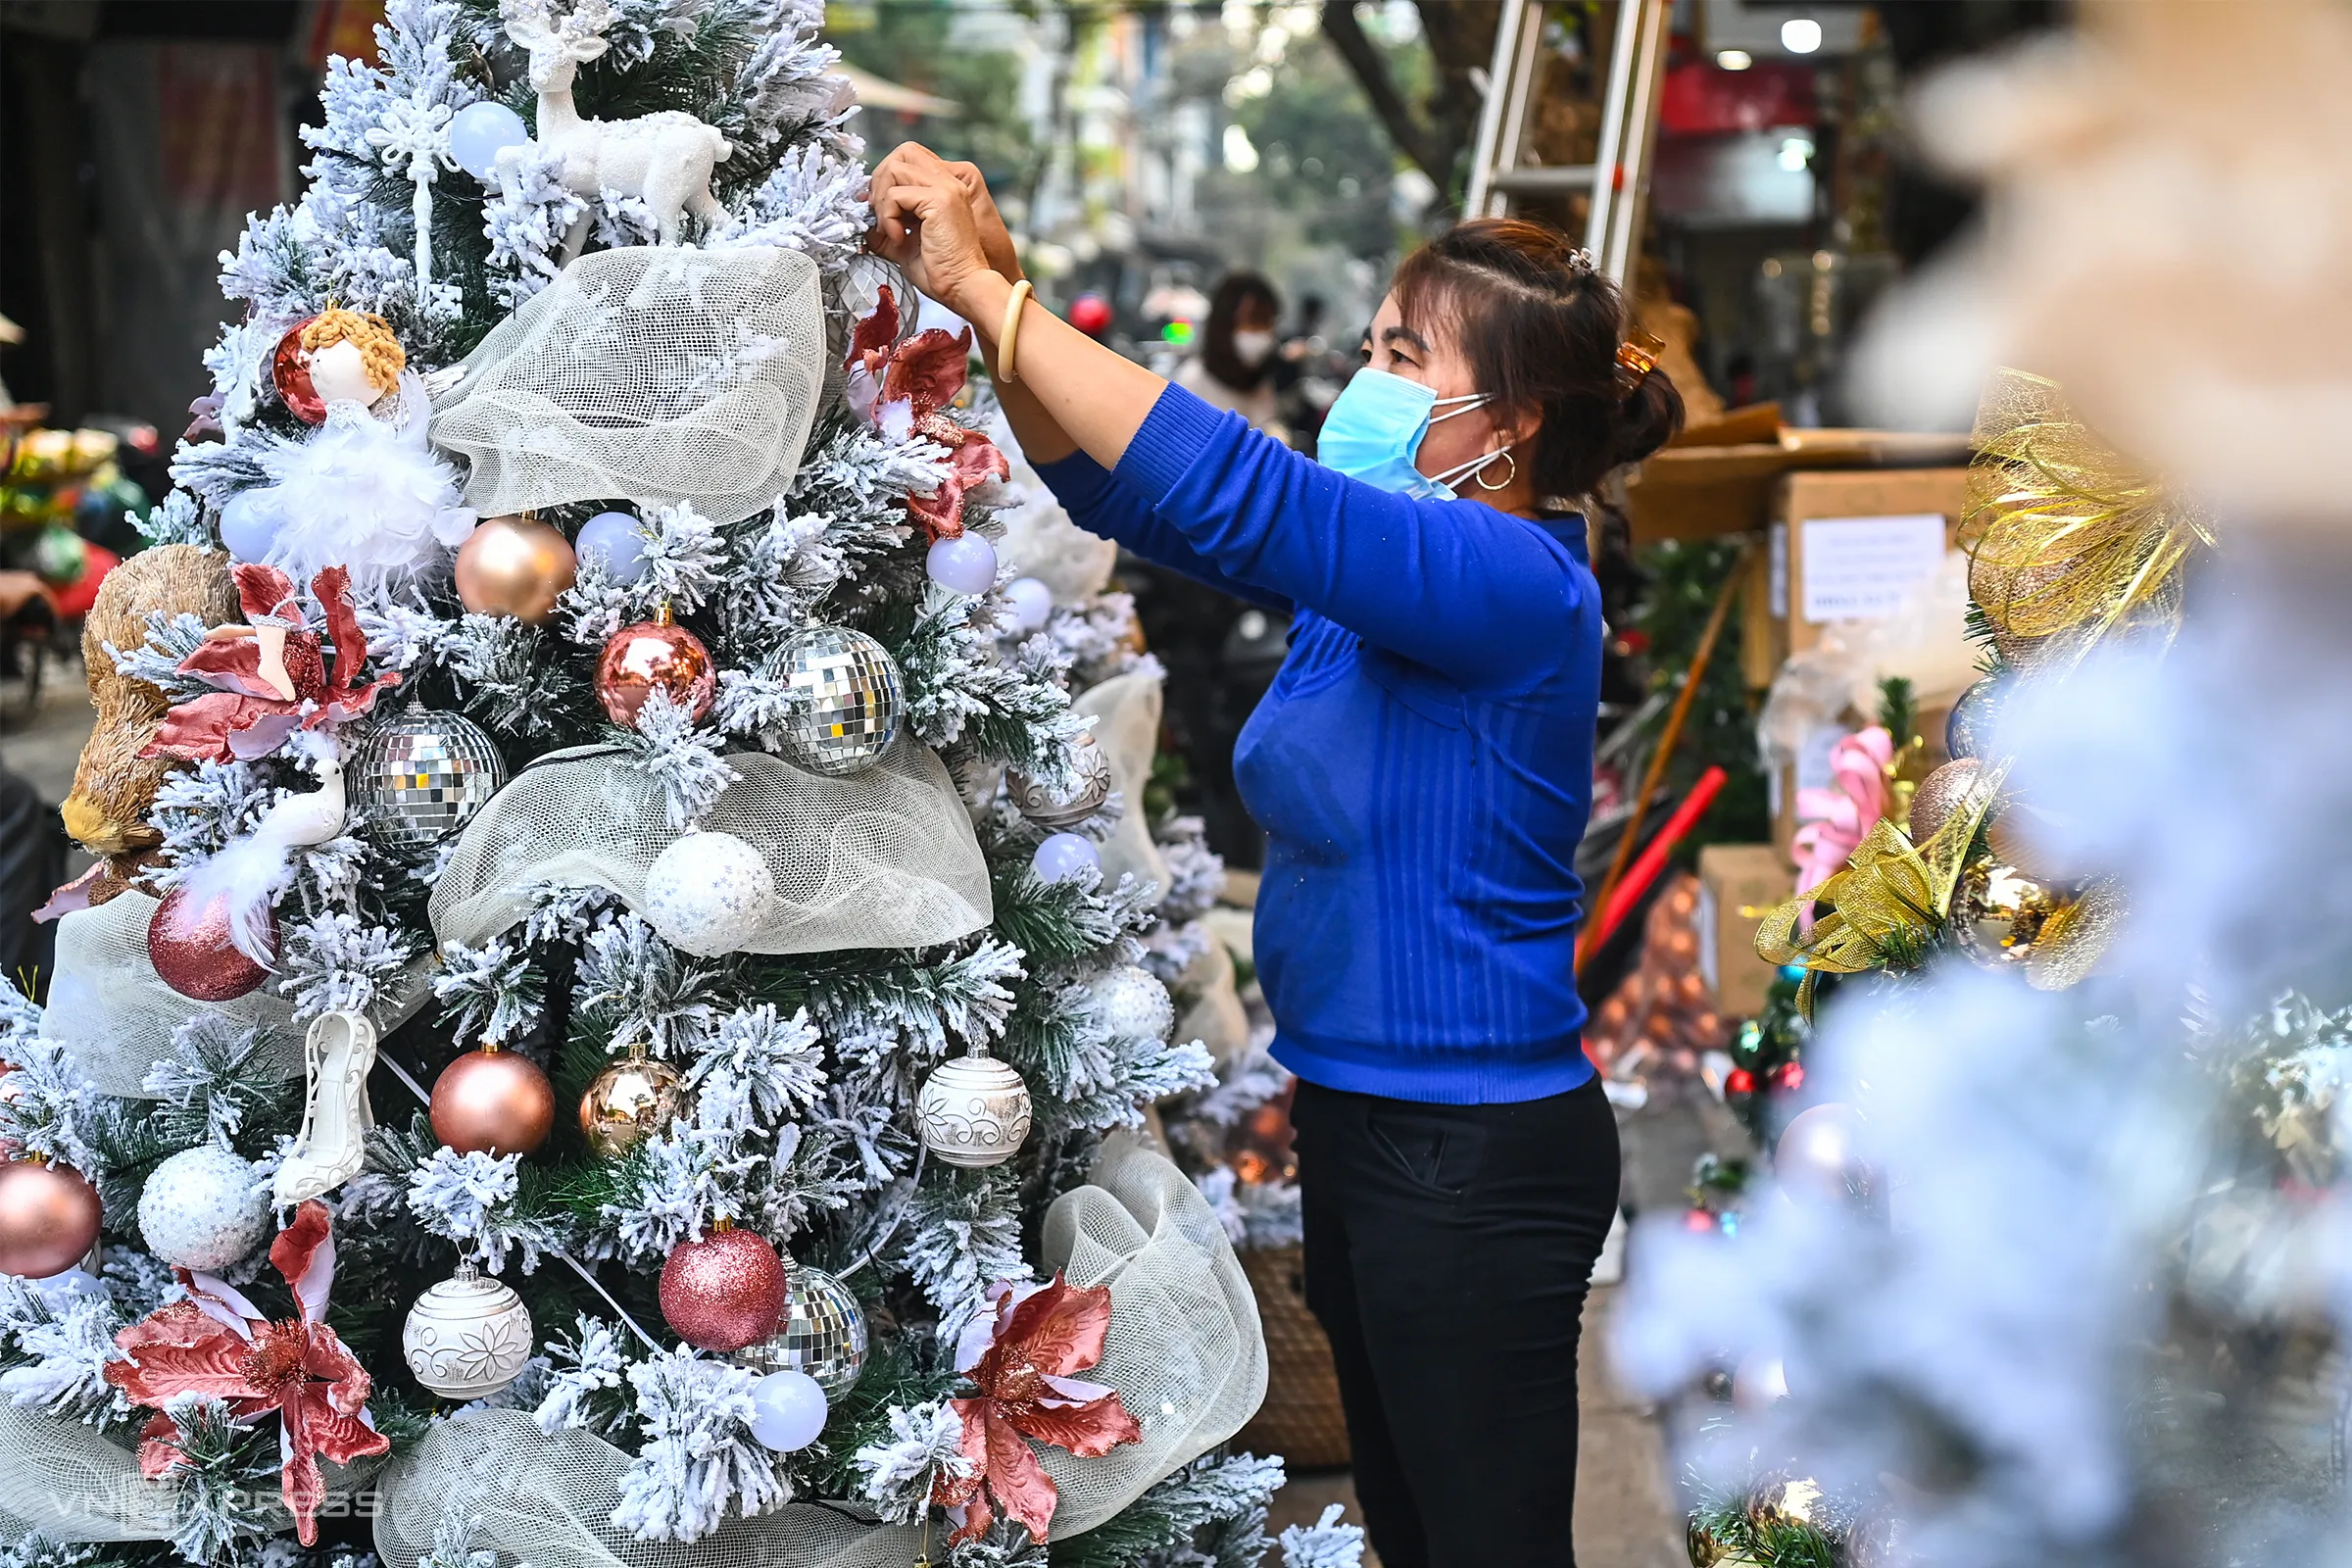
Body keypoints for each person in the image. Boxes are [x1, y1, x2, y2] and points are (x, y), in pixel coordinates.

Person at [868, 144, 1684, 1568]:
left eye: (1406, 356)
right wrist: (1000, 309)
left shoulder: (1511, 582)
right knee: (1420, 1537)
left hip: (1476, 1156)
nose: (1366, 379)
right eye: (1370, 342)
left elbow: (1251, 491)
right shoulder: (1374, 584)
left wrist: (995, 295)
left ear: (1518, 421)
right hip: (1364, 1129)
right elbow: (1132, 498)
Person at [1175, 271, 1284, 432]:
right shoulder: (1191, 384)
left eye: (1267, 323)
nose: (1263, 333)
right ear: (1223, 324)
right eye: (1253, 322)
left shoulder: (1262, 387)